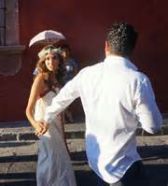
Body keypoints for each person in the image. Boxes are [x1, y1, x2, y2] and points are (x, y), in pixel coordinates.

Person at [42, 22, 163, 186]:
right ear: (131, 49)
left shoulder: (87, 74)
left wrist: (45, 118)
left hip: (97, 162)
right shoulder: (138, 80)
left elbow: (60, 99)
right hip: (124, 167)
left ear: (106, 46)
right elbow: (153, 126)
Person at [25, 45, 77, 186]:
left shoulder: (57, 79)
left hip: (58, 124)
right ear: (43, 61)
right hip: (45, 126)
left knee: (59, 156)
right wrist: (36, 125)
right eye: (47, 58)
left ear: (60, 61)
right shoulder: (40, 79)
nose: (51, 61)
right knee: (50, 157)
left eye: (54, 58)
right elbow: (28, 110)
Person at [59, 44, 79, 123]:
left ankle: (66, 115)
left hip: (70, 84)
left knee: (69, 100)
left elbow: (76, 72)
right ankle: (67, 116)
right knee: (62, 100)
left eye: (67, 51)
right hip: (61, 84)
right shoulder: (58, 62)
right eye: (63, 51)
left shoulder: (72, 61)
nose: (65, 53)